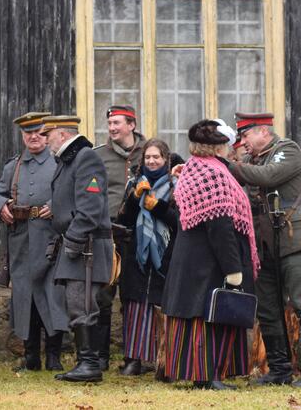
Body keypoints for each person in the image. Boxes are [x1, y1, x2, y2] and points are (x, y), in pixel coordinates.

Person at [228, 112, 301, 387]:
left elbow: (268, 176)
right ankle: (280, 369)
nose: (243, 142)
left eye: (246, 135)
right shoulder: (249, 161)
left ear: (263, 131)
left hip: (296, 237)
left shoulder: (288, 150)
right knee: (268, 307)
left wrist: (229, 165)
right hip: (264, 241)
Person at [161, 119, 258, 390]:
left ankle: (201, 374)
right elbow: (220, 226)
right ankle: (208, 376)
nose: (228, 149)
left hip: (189, 257)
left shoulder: (193, 168)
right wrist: (233, 268)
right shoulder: (214, 174)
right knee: (210, 317)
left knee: (196, 317)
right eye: (225, 145)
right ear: (216, 148)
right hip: (207, 260)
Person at [0, 112, 69, 372]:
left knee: (53, 297)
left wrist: (56, 206)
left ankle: (54, 357)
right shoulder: (14, 166)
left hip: (51, 241)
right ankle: (31, 356)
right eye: (28, 133)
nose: (33, 137)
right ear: (22, 136)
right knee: (25, 299)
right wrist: (1, 207)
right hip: (21, 242)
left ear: (47, 135)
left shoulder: (60, 163)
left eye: (39, 132)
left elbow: (74, 194)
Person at [40, 115, 113, 383]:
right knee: (74, 302)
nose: (45, 140)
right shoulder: (69, 160)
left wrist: (71, 241)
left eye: (48, 134)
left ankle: (89, 364)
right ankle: (86, 362)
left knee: (82, 303)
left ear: (61, 134)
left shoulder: (85, 158)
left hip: (87, 246)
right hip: (79, 244)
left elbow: (90, 208)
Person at [116, 138, 178, 376]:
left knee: (161, 307)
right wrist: (135, 199)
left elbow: (180, 222)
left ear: (166, 159)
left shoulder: (176, 185)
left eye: (157, 157)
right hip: (137, 254)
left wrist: (158, 207)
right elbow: (123, 221)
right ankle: (134, 360)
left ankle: (163, 360)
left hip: (166, 255)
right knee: (135, 308)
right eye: (148, 157)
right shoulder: (134, 183)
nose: (152, 161)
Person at [93, 104, 146, 370]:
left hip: (140, 236)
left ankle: (133, 358)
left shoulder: (151, 153)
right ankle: (99, 357)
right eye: (110, 123)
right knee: (103, 296)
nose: (112, 128)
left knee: (134, 297)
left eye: (118, 123)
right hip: (108, 234)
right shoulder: (98, 156)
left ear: (132, 125)